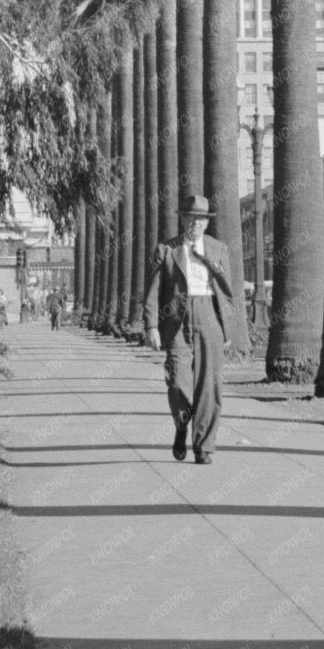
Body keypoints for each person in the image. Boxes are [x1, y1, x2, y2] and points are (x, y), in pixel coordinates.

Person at [142, 192, 237, 465]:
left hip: (209, 316)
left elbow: (227, 291)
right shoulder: (166, 250)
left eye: (200, 219)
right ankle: (182, 423)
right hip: (176, 320)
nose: (195, 223)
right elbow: (152, 290)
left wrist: (227, 329)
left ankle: (204, 446)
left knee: (210, 384)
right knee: (176, 380)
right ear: (182, 220)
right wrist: (151, 325)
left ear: (206, 223)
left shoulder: (218, 249)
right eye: (190, 218)